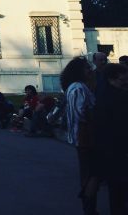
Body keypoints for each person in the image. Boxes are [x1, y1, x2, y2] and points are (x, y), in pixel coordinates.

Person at [61, 56, 98, 214]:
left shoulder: (82, 86)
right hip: (85, 136)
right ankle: (88, 207)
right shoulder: (77, 88)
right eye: (87, 68)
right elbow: (80, 114)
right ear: (78, 71)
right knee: (91, 173)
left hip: (85, 136)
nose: (90, 70)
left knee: (92, 172)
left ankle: (89, 204)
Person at [94, 63, 128, 214]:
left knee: (116, 190)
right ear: (112, 79)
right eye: (123, 80)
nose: (125, 82)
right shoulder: (119, 97)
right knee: (120, 188)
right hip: (119, 148)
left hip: (109, 150)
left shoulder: (102, 96)